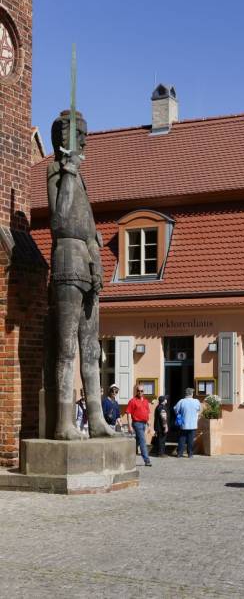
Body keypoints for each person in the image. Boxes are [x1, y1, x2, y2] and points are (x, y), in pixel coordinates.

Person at [47, 109, 114, 440]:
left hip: (88, 261)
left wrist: (95, 242)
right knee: (67, 347)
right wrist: (69, 172)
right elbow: (59, 221)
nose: (86, 139)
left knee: (91, 349)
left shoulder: (80, 178)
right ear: (65, 138)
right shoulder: (56, 172)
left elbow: (84, 223)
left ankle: (97, 418)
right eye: (81, 134)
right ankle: (63, 422)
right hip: (67, 261)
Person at [126, 385, 152, 466]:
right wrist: (129, 426)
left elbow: (147, 413)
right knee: (142, 441)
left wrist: (149, 425)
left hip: (144, 423)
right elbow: (129, 414)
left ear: (144, 392)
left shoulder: (146, 401)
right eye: (138, 391)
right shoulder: (132, 401)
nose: (140, 392)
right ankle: (147, 460)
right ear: (136, 391)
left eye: (141, 391)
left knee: (136, 442)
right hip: (137, 423)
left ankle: (127, 458)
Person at [174, 388, 201, 458]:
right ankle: (190, 454)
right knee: (191, 440)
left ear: (185, 394)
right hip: (193, 424)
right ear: (192, 394)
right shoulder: (196, 401)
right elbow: (200, 410)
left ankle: (179, 453)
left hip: (184, 424)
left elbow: (176, 410)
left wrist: (180, 413)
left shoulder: (181, 401)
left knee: (182, 439)